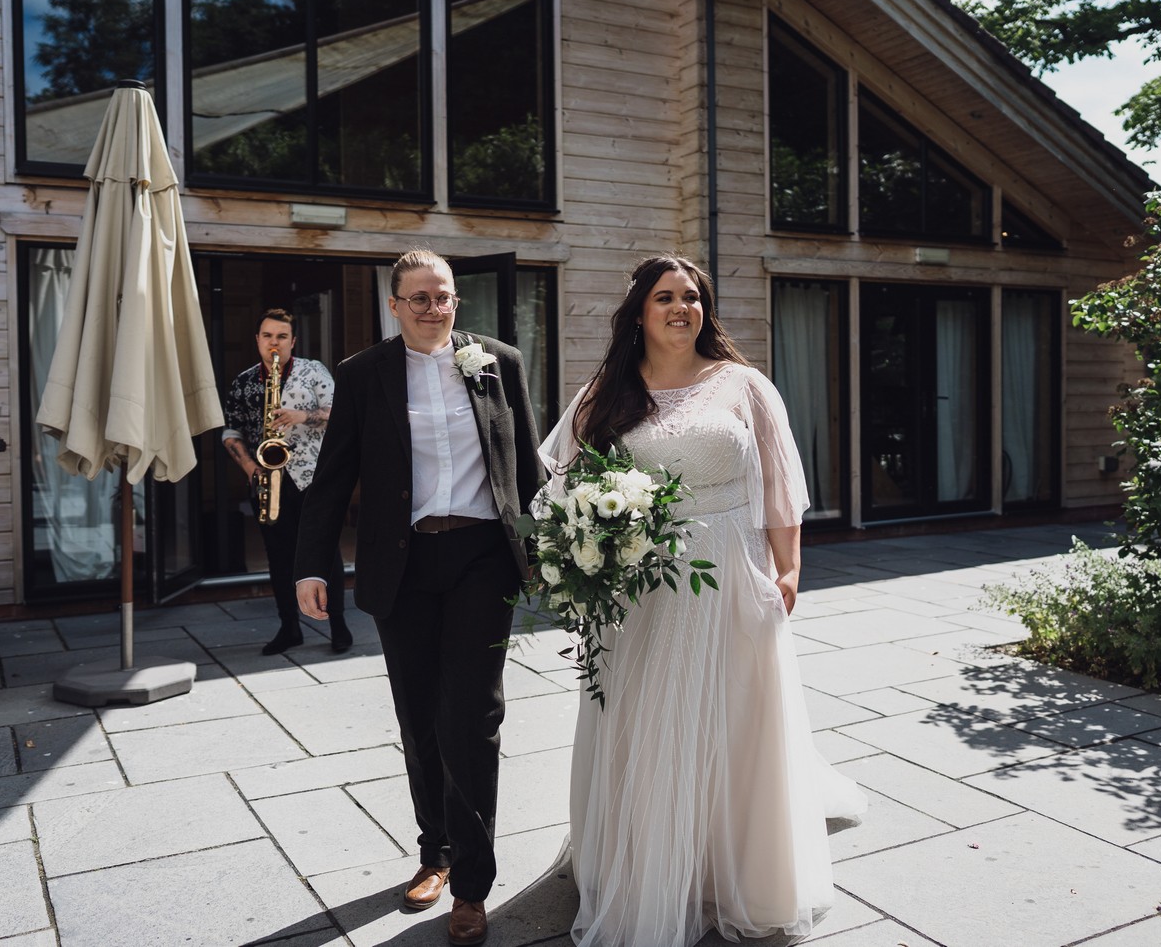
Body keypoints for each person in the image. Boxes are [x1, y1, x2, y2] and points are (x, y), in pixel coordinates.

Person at [539, 256, 867, 947]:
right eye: (665, 297)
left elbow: (778, 480)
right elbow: (569, 487)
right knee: (645, 716)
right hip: (643, 585)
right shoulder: (607, 392)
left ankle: (734, 869)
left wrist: (789, 568)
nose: (680, 308)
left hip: (732, 571)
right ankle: (647, 862)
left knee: (736, 716)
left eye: (691, 297)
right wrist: (584, 554)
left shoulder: (743, 385)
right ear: (639, 312)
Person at [293, 249, 545, 947]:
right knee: (420, 716)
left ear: (456, 300)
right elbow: (333, 474)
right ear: (395, 306)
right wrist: (311, 565)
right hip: (400, 565)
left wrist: (552, 548)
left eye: (444, 297)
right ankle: (434, 851)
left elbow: (526, 465)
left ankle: (471, 885)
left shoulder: (498, 362)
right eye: (420, 298)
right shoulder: (362, 374)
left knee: (473, 715)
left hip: (482, 558)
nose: (435, 308)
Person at [222, 308, 351, 655]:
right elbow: (231, 431)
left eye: (281, 337)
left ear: (293, 341)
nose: (274, 343)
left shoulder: (314, 371)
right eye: (267, 336)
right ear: (257, 340)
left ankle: (338, 626)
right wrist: (251, 468)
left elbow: (341, 412)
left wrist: (301, 416)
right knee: (278, 557)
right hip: (267, 479)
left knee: (325, 551)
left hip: (312, 478)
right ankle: (289, 627)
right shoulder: (244, 381)